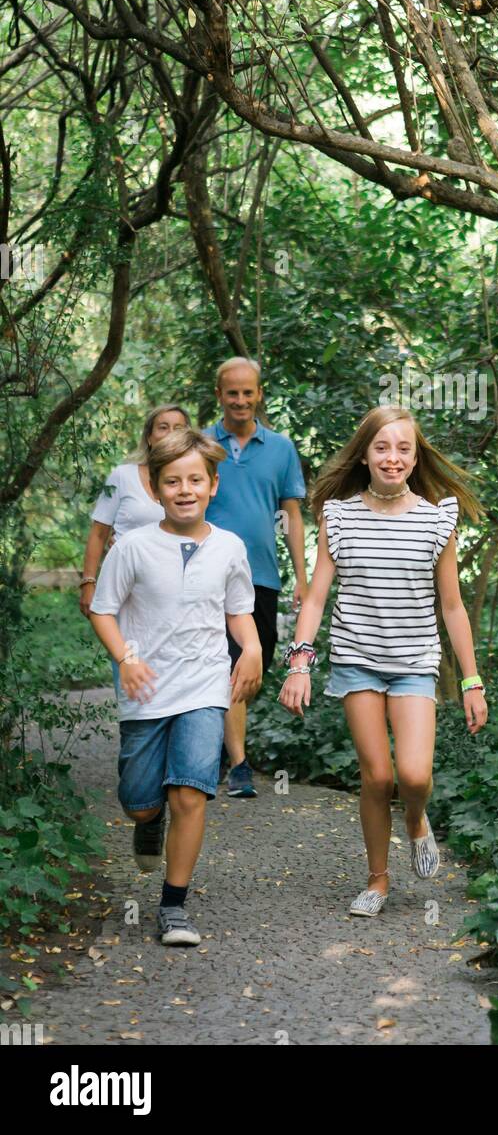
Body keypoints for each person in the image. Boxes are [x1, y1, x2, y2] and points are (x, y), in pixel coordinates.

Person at [277, 405, 488, 917]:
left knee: (413, 776)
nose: (392, 458)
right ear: (365, 454)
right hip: (356, 659)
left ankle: (416, 819)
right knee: (376, 777)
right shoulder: (339, 515)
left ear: (415, 458)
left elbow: (453, 605)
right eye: (382, 447)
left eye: (404, 448)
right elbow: (317, 596)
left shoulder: (439, 518)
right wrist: (299, 663)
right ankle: (378, 880)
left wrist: (471, 680)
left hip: (416, 660)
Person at [89, 428, 262, 946]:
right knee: (142, 802)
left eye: (195, 480)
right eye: (172, 481)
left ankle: (173, 906)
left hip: (204, 686)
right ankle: (147, 821)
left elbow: (239, 611)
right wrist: (127, 658)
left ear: (213, 484)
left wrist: (250, 649)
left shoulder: (230, 547)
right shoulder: (134, 547)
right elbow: (103, 611)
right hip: (145, 691)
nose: (184, 489)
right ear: (156, 489)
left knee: (190, 793)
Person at [203, 358, 308, 798]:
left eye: (248, 392)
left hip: (261, 575)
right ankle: (236, 764)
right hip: (205, 573)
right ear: (219, 395)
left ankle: (218, 754)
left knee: (252, 667)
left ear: (259, 394)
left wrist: (303, 577)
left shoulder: (281, 448)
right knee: (222, 666)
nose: (241, 401)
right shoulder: (202, 443)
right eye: (233, 393)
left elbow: (292, 515)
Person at [79, 404, 192, 619]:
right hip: (125, 584)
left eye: (178, 428)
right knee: (125, 650)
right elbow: (99, 533)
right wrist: (88, 582)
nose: (170, 434)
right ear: (149, 437)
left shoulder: (195, 483)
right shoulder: (123, 475)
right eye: (163, 427)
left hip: (176, 586)